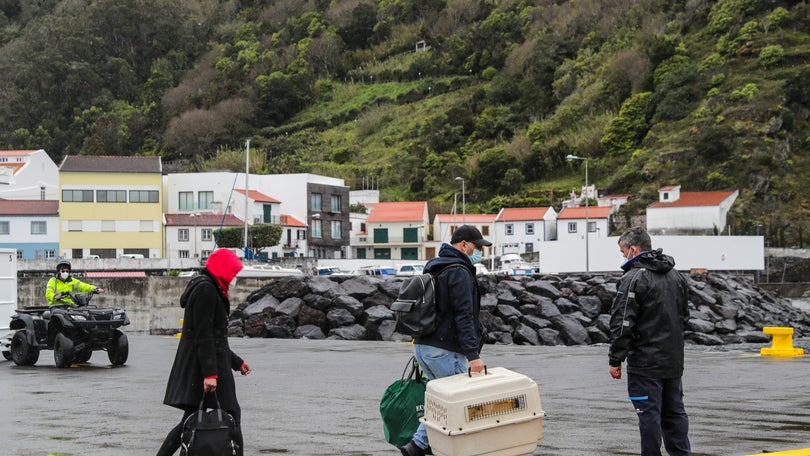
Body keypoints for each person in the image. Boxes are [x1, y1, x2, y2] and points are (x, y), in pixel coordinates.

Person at [400, 224, 491, 456]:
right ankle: (423, 447)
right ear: (463, 245)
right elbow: (464, 315)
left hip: (424, 347)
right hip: (444, 349)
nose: (479, 251)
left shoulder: (435, 267)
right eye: (477, 247)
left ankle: (418, 446)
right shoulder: (459, 271)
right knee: (462, 402)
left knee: (441, 404)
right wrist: (473, 356)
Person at [157, 248, 252, 456]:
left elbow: (215, 336)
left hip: (208, 364)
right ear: (223, 270)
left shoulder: (209, 288)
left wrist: (236, 361)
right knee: (232, 413)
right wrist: (210, 374)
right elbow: (204, 335)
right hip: (207, 367)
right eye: (233, 273)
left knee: (190, 419)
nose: (235, 278)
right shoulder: (207, 290)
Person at [608, 227, 691, 456]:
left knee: (649, 418)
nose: (624, 257)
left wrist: (616, 359)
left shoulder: (633, 278)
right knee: (675, 415)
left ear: (633, 249)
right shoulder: (676, 276)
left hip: (645, 366)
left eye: (624, 252)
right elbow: (684, 317)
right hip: (673, 362)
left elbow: (623, 323)